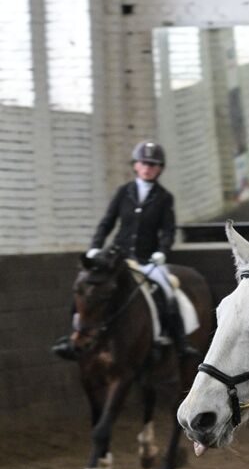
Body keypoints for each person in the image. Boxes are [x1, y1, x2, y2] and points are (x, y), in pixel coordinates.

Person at [53, 140, 199, 361]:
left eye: (153, 164)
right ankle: (73, 337)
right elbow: (107, 223)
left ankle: (173, 340)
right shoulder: (124, 192)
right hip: (117, 257)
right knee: (84, 285)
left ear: (160, 169)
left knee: (167, 291)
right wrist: (95, 247)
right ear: (136, 166)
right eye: (144, 163)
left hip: (147, 259)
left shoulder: (164, 198)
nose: (148, 168)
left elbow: (168, 231)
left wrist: (162, 251)